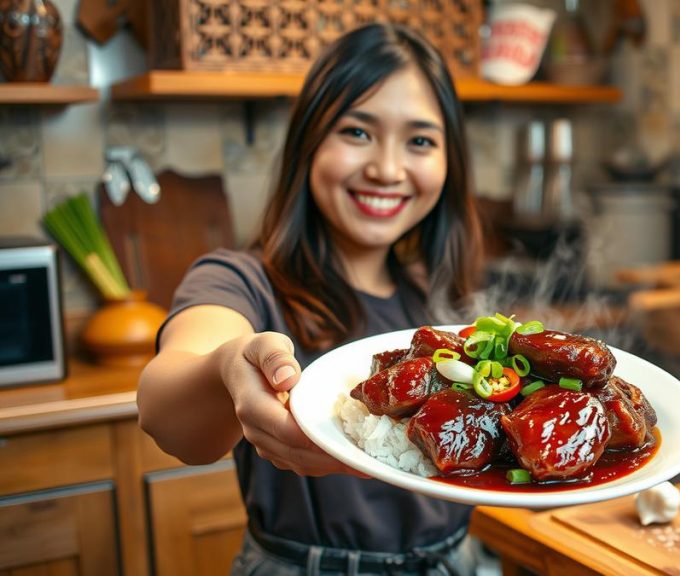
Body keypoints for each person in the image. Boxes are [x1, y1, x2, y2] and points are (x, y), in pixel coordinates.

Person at [137, 22, 484, 576]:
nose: (387, 169)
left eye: (419, 141)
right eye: (357, 132)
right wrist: (229, 366)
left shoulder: (440, 297)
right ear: (308, 142)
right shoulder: (238, 281)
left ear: (449, 161)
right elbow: (163, 412)